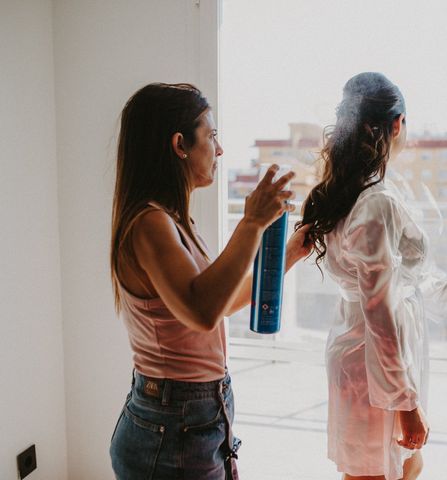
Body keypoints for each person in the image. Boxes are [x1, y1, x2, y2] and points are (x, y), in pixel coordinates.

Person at [108, 82, 311, 480]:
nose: (219, 150)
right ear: (180, 143)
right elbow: (201, 311)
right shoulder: (150, 224)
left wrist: (289, 254)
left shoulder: (174, 223)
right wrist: (251, 222)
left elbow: (218, 303)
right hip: (172, 426)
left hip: (191, 416)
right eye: (212, 135)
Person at [298, 72, 447, 480]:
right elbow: (379, 309)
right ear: (397, 123)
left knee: (404, 465)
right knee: (383, 471)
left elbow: (388, 280)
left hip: (364, 355)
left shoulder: (350, 190)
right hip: (372, 363)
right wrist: (408, 405)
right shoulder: (375, 199)